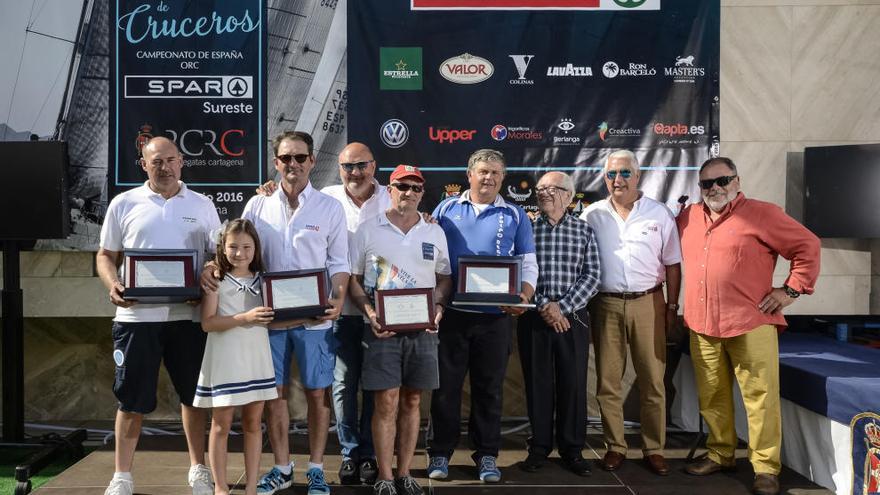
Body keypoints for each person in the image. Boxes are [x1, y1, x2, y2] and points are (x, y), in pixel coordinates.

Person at [204, 131, 349, 495]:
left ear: (313, 161)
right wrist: (212, 266)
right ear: (276, 162)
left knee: (318, 394)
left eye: (300, 158)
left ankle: (316, 468)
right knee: (275, 396)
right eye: (286, 158)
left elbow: (339, 262)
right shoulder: (258, 205)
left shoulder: (330, 208)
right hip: (267, 318)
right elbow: (233, 245)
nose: (293, 164)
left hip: (315, 320)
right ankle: (282, 467)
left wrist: (339, 298)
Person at [677, 157, 820, 495]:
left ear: (737, 181)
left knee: (761, 398)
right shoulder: (688, 217)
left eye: (722, 181)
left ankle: (766, 468)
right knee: (712, 396)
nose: (715, 189)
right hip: (701, 324)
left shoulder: (763, 213)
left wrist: (790, 290)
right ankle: (720, 453)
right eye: (707, 184)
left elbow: (808, 246)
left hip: (750, 322)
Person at [96, 136, 220, 495]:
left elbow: (216, 254)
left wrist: (209, 271)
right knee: (131, 401)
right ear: (143, 165)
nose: (163, 167)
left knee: (193, 398)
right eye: (156, 162)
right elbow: (105, 255)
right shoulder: (124, 203)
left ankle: (199, 469)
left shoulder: (202, 204)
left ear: (181, 161)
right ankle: (122, 476)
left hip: (190, 318)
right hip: (137, 320)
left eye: (169, 160)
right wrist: (113, 283)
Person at [426, 149, 538, 483]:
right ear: (469, 174)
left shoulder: (516, 215)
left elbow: (528, 262)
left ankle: (487, 455)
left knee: (489, 390)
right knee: (445, 389)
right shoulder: (445, 209)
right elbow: (429, 254)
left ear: (503, 178)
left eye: (495, 173)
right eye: (482, 171)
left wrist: (525, 295)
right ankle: (440, 454)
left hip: (495, 318)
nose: (488, 177)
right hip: (452, 316)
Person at [348, 165, 453, 495]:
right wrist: (368, 311)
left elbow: (444, 277)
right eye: (402, 186)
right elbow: (352, 277)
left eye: (415, 187)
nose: (408, 192)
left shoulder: (433, 231)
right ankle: (385, 476)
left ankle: (405, 473)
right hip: (381, 331)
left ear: (423, 193)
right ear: (389, 189)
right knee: (386, 403)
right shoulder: (367, 229)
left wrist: (437, 307)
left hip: (423, 332)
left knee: (411, 402)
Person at [580, 149, 681, 476]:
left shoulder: (659, 213)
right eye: (611, 174)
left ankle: (654, 449)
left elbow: (673, 264)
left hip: (648, 302)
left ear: (637, 176)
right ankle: (616, 447)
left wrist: (672, 306)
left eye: (624, 173)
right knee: (608, 382)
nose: (617, 180)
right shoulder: (591, 214)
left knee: (653, 381)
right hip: (605, 303)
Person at [518, 171, 601, 477]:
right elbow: (520, 272)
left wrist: (561, 307)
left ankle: (572, 449)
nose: (543, 194)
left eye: (551, 189)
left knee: (573, 383)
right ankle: (539, 448)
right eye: (540, 189)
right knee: (537, 384)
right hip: (534, 319)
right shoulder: (525, 229)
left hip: (573, 319)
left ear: (568, 195)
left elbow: (592, 275)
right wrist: (544, 306)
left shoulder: (584, 231)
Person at [194, 219, 278, 495]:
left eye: (246, 247)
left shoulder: (265, 279)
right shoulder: (216, 278)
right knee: (221, 423)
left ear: (256, 248)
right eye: (233, 247)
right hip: (226, 358)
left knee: (254, 423)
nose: (240, 253)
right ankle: (220, 487)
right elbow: (207, 323)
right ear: (222, 247)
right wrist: (245, 317)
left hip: (256, 357)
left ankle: (252, 486)